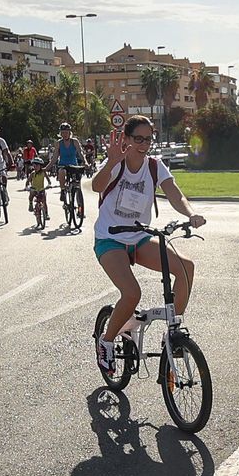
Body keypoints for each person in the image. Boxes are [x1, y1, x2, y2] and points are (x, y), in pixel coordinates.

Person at [91, 116, 206, 373]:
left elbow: (173, 192)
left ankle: (172, 334)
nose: (143, 144)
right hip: (110, 238)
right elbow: (97, 186)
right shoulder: (116, 163)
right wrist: (111, 161)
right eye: (138, 138)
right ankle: (106, 342)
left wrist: (190, 214)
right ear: (126, 139)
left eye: (148, 139)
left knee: (186, 268)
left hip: (140, 237)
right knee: (132, 293)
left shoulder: (155, 166)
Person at [49, 122, 86, 215]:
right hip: (63, 165)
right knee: (62, 172)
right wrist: (46, 168)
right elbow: (54, 158)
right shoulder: (58, 143)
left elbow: (81, 153)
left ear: (70, 133)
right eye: (63, 132)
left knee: (78, 187)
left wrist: (86, 162)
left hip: (74, 165)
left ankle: (80, 210)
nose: (65, 134)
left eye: (66, 132)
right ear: (60, 133)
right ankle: (62, 190)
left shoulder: (75, 141)